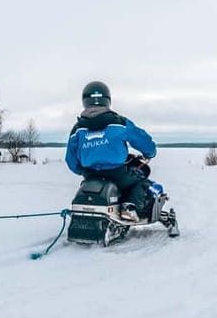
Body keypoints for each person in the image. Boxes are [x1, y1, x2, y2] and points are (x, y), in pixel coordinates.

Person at [66, 81, 157, 222]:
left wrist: (81, 170)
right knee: (140, 180)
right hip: (117, 173)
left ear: (85, 101)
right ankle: (129, 207)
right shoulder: (120, 123)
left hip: (90, 174)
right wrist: (150, 152)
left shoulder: (78, 129)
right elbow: (142, 139)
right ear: (107, 100)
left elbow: (71, 159)